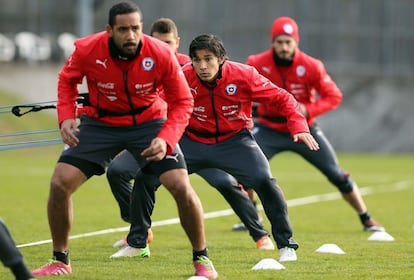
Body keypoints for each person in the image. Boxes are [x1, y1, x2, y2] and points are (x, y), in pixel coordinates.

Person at [31, 2, 217, 278]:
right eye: (123, 29)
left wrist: (166, 138)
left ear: (142, 27)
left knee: (179, 185)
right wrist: (66, 116)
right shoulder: (87, 49)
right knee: (60, 183)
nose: (130, 35)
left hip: (149, 122)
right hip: (101, 124)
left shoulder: (160, 53)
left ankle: (202, 260)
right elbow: (67, 80)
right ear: (109, 30)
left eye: (136, 28)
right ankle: (60, 260)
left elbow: (182, 100)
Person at [126, 33, 320, 263]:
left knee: (264, 181)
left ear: (221, 58)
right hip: (190, 141)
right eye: (196, 60)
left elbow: (283, 98)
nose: (202, 66)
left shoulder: (244, 75)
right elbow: (155, 102)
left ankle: (286, 244)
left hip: (235, 141)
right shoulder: (183, 76)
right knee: (146, 176)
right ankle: (137, 243)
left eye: (208, 58)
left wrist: (299, 126)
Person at [108, 18, 274, 251]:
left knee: (224, 183)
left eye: (168, 43)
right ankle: (139, 232)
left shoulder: (193, 65)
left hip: (196, 138)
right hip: (160, 136)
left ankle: (259, 234)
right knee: (118, 171)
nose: (164, 48)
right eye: (158, 43)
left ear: (177, 43)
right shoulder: (139, 66)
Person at [232, 16, 385, 233]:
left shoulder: (311, 66)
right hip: (268, 128)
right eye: (279, 42)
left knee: (336, 175)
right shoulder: (257, 62)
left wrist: (308, 110)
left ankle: (366, 217)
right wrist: (252, 110)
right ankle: (252, 217)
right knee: (246, 169)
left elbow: (333, 96)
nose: (284, 47)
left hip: (304, 130)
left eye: (288, 42)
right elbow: (242, 91)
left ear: (296, 42)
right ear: (272, 42)